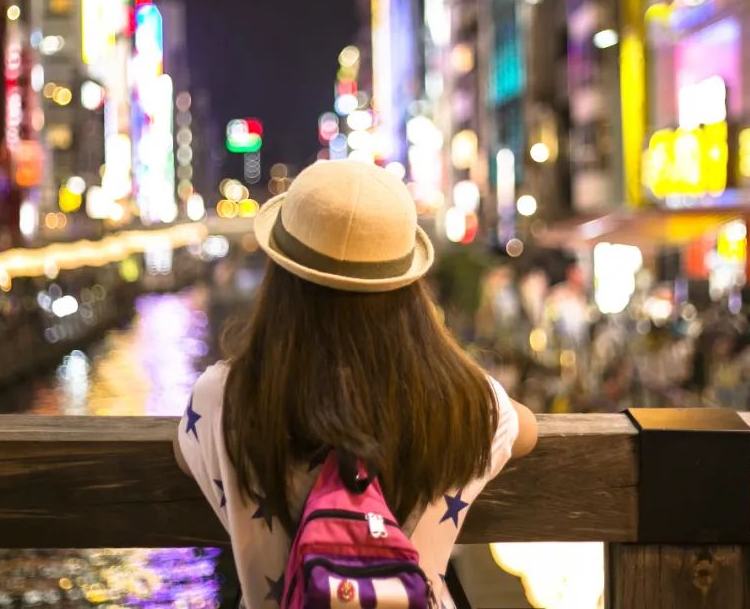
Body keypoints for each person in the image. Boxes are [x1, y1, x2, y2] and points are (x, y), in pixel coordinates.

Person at [174, 159, 539, 608]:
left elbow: (181, 451)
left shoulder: (223, 398)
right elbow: (527, 431)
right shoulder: (464, 401)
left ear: (281, 280)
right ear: (410, 291)